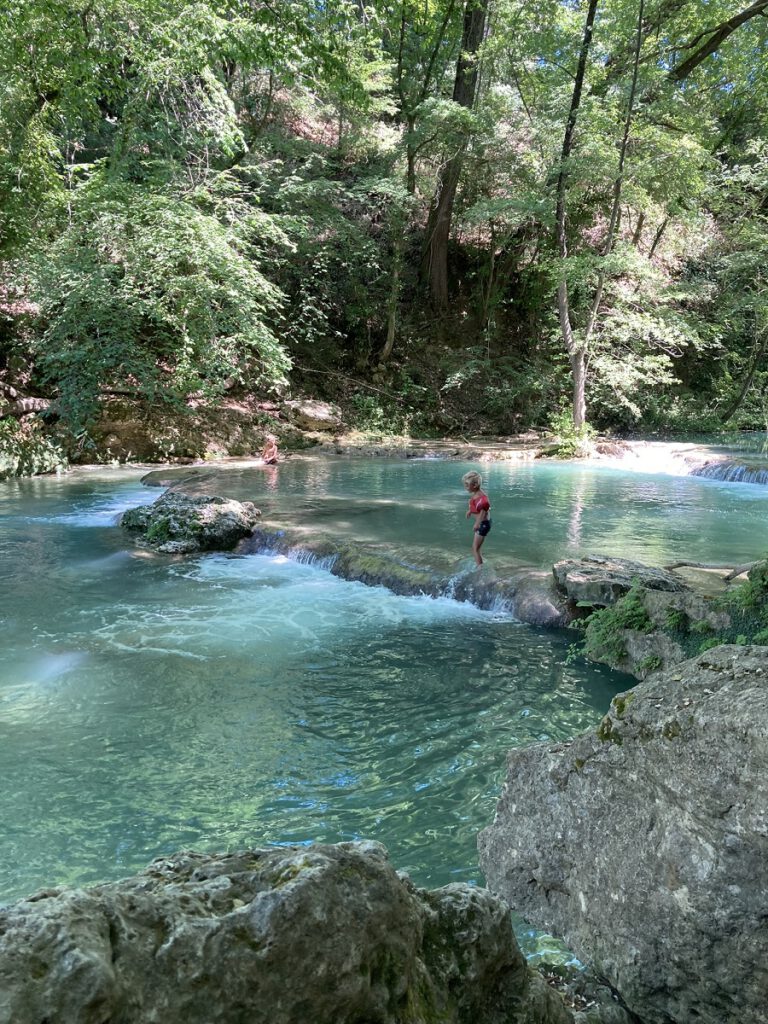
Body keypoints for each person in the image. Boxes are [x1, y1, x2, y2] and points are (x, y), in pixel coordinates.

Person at [462, 470, 491, 566]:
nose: (465, 487)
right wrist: (470, 511)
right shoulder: (476, 494)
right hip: (482, 523)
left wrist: (477, 524)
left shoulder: (482, 498)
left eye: (467, 485)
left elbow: (483, 512)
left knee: (475, 548)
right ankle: (480, 562)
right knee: (477, 547)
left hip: (483, 524)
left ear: (474, 485)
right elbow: (476, 506)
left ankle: (480, 568)